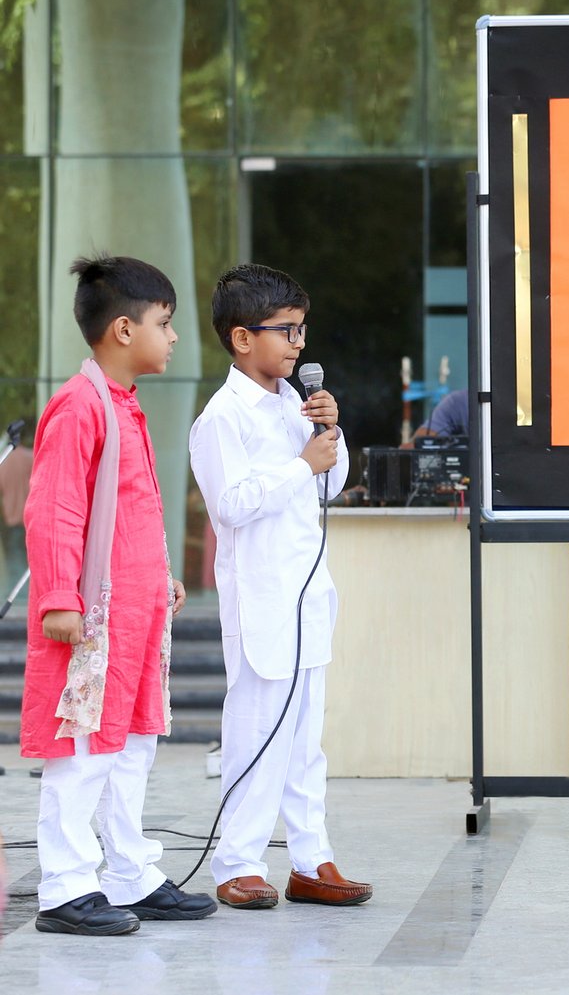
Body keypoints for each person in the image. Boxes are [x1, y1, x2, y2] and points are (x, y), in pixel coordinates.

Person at [20, 254, 212, 935]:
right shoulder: (80, 405)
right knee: (83, 748)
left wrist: (158, 577)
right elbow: (55, 510)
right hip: (92, 618)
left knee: (131, 744)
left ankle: (130, 870)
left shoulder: (122, 404)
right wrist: (59, 601)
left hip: (135, 615)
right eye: (166, 323)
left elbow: (128, 510)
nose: (175, 337)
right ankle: (66, 888)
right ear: (124, 330)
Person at [188, 263, 372, 910]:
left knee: (303, 738)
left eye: (301, 331)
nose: (299, 344)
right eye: (286, 331)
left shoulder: (296, 406)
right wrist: (300, 465)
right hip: (262, 595)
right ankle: (237, 861)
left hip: (307, 592)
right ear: (243, 338)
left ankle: (309, 856)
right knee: (256, 729)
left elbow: (329, 482)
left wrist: (329, 432)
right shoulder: (221, 419)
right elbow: (232, 505)